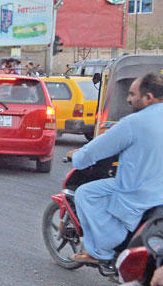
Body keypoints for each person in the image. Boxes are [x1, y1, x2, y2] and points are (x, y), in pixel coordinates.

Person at [67, 72, 163, 263]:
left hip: (139, 192)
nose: (128, 99)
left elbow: (94, 151)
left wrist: (76, 157)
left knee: (86, 193)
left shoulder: (133, 123)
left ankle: (99, 252)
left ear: (148, 98)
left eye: (132, 94)